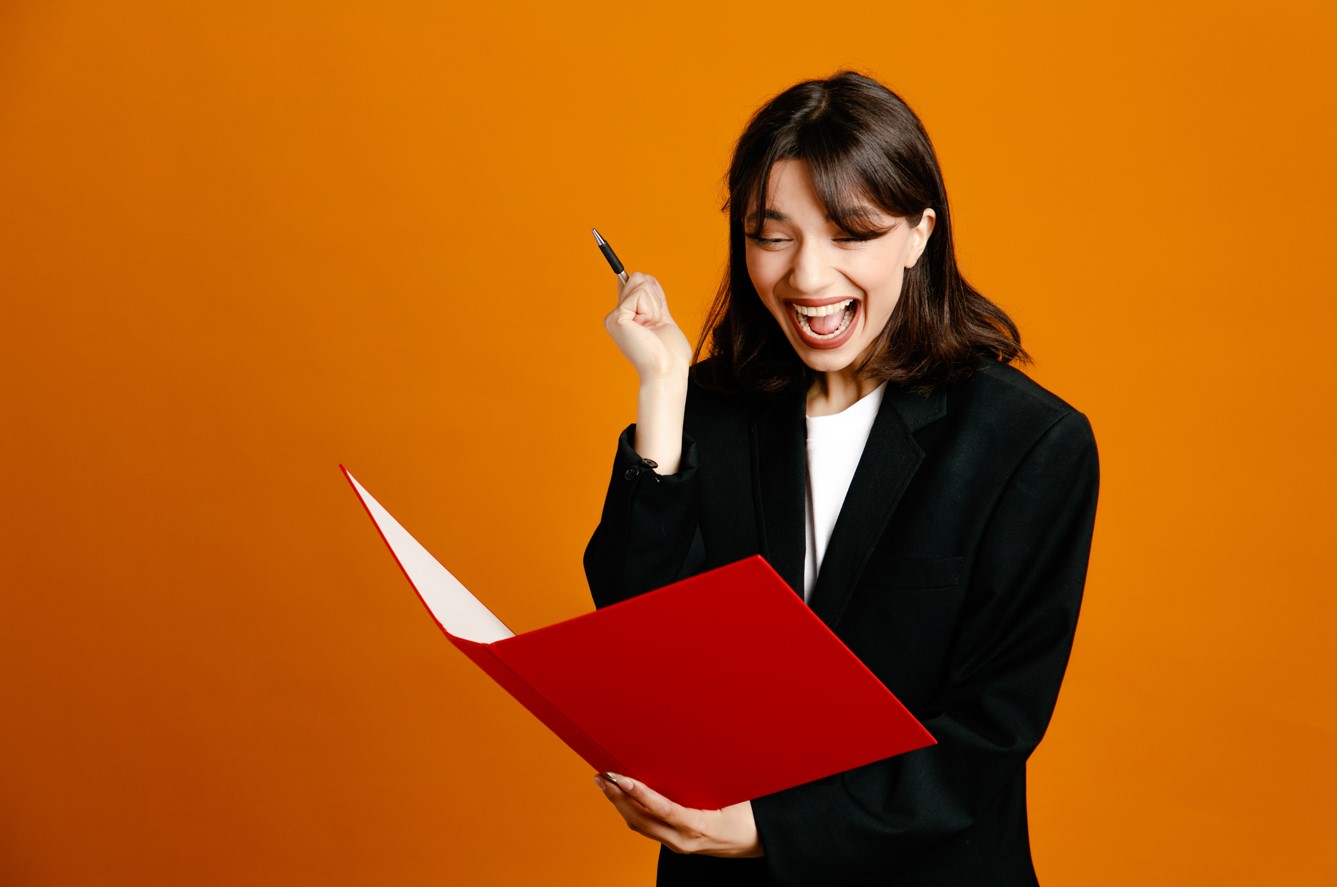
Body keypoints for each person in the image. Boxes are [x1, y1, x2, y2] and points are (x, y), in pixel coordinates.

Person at [583, 70, 1099, 886]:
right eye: (772, 236)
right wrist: (662, 388)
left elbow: (988, 731)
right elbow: (637, 646)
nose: (808, 278)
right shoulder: (705, 411)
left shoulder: (1030, 444)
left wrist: (767, 828)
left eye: (851, 233)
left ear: (919, 234)